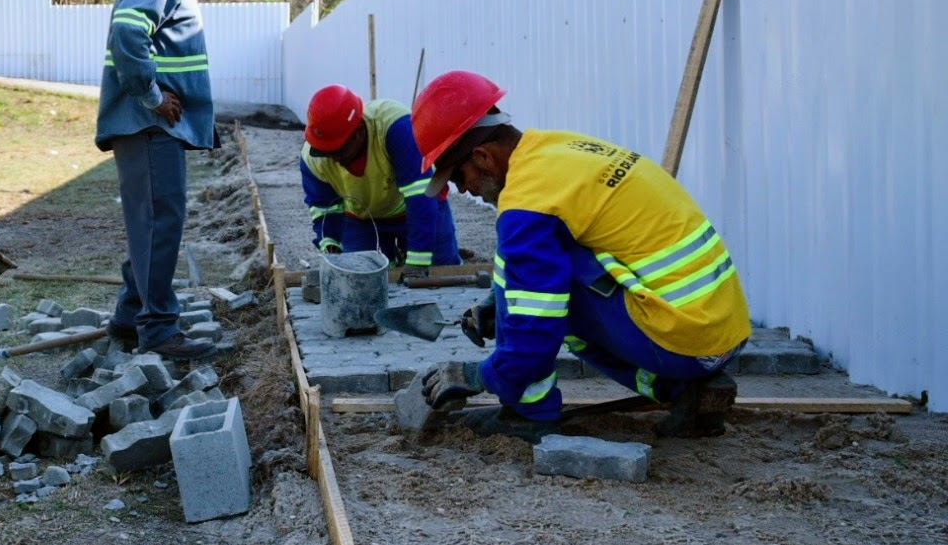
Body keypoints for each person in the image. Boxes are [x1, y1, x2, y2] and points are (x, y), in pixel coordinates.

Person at [413, 70, 749, 436]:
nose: (463, 191)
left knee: (543, 294)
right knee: (534, 271)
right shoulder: (556, 149)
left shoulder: (528, 202)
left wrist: (482, 374)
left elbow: (536, 320)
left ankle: (529, 413)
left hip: (686, 340)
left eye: (458, 177)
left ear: (482, 156)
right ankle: (683, 391)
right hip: (721, 332)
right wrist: (498, 299)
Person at [95, 0, 230, 360]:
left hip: (150, 126)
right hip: (150, 125)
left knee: (150, 222)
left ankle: (130, 316)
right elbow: (129, 33)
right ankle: (158, 331)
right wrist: (153, 96)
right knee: (159, 222)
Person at [299, 84, 460, 276]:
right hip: (362, 218)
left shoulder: (396, 127)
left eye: (338, 150)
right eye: (327, 152)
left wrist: (418, 262)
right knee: (362, 278)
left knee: (443, 273)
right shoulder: (312, 159)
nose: (334, 158)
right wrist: (330, 240)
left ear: (358, 131)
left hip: (419, 207)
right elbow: (324, 207)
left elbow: (421, 197)